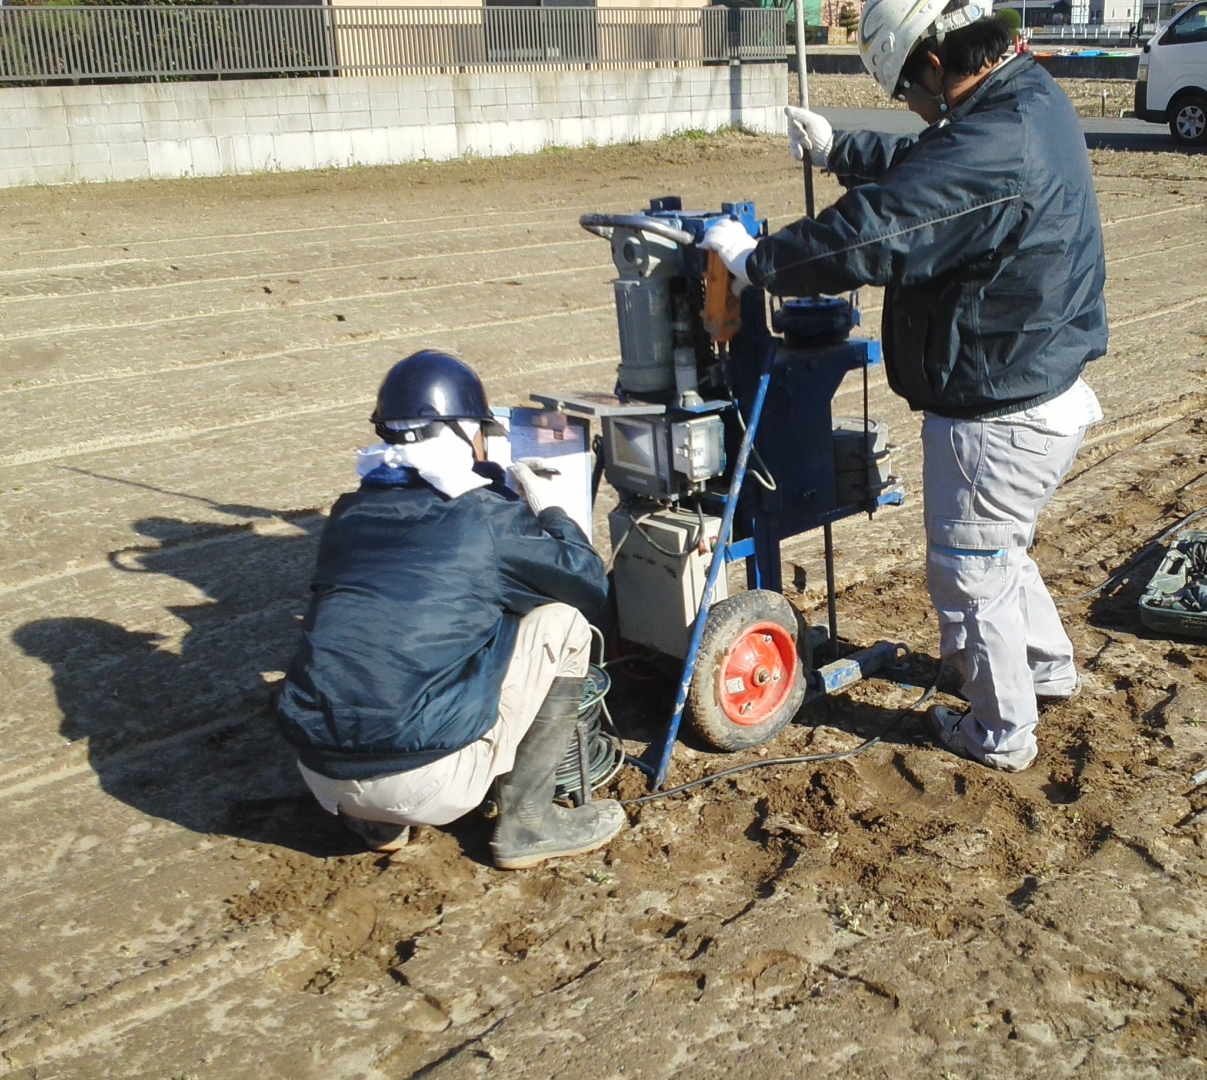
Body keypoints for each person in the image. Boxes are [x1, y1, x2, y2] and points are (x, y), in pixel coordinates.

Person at [700, 0, 1106, 773]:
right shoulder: (1025, 96)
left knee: (971, 572)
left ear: (932, 63)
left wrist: (761, 263)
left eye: (906, 93)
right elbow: (938, 168)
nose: (913, 109)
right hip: (1036, 381)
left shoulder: (994, 139)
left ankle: (999, 730)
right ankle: (1045, 668)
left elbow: (881, 229)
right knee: (1002, 549)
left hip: (999, 409)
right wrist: (839, 148)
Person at [273, 350, 624, 867]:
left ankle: (376, 821)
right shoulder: (482, 518)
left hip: (320, 774)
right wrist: (547, 505)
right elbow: (588, 586)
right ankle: (529, 824)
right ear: (464, 434)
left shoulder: (348, 514)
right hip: (429, 784)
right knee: (562, 623)